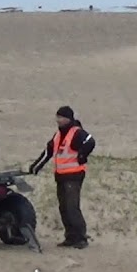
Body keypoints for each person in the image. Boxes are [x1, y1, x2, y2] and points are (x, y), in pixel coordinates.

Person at [28, 105, 95, 248]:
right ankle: (70, 237)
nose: (57, 120)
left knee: (72, 207)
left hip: (74, 175)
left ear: (68, 118)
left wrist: (82, 155)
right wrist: (36, 166)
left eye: (60, 117)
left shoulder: (76, 132)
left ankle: (81, 238)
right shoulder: (58, 135)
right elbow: (48, 151)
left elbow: (90, 141)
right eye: (57, 117)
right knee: (63, 207)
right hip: (61, 176)